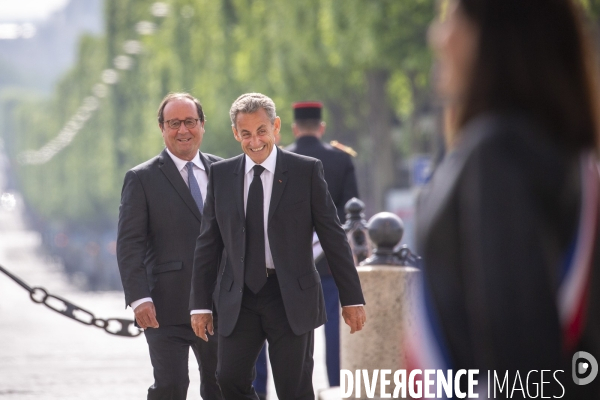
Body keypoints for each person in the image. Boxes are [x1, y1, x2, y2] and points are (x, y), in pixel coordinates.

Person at [415, 0, 600, 397]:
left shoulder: (497, 153)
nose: (439, 36)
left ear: (497, 35)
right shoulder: (562, 152)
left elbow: (521, 359)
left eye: (452, 20)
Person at [190, 93, 367, 400]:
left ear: (276, 127)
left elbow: (333, 235)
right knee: (227, 379)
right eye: (245, 133)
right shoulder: (220, 175)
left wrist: (352, 298)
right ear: (235, 134)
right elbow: (208, 243)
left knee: (293, 388)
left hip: (290, 297)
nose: (255, 141)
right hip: (239, 297)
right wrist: (201, 304)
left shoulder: (306, 171)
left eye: (261, 131)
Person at [117, 93, 223, 399]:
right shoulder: (141, 178)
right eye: (174, 123)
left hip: (221, 304)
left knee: (223, 386)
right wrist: (138, 299)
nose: (183, 130)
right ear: (162, 128)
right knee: (171, 387)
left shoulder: (225, 172)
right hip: (165, 306)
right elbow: (129, 245)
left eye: (190, 122)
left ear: (202, 125)